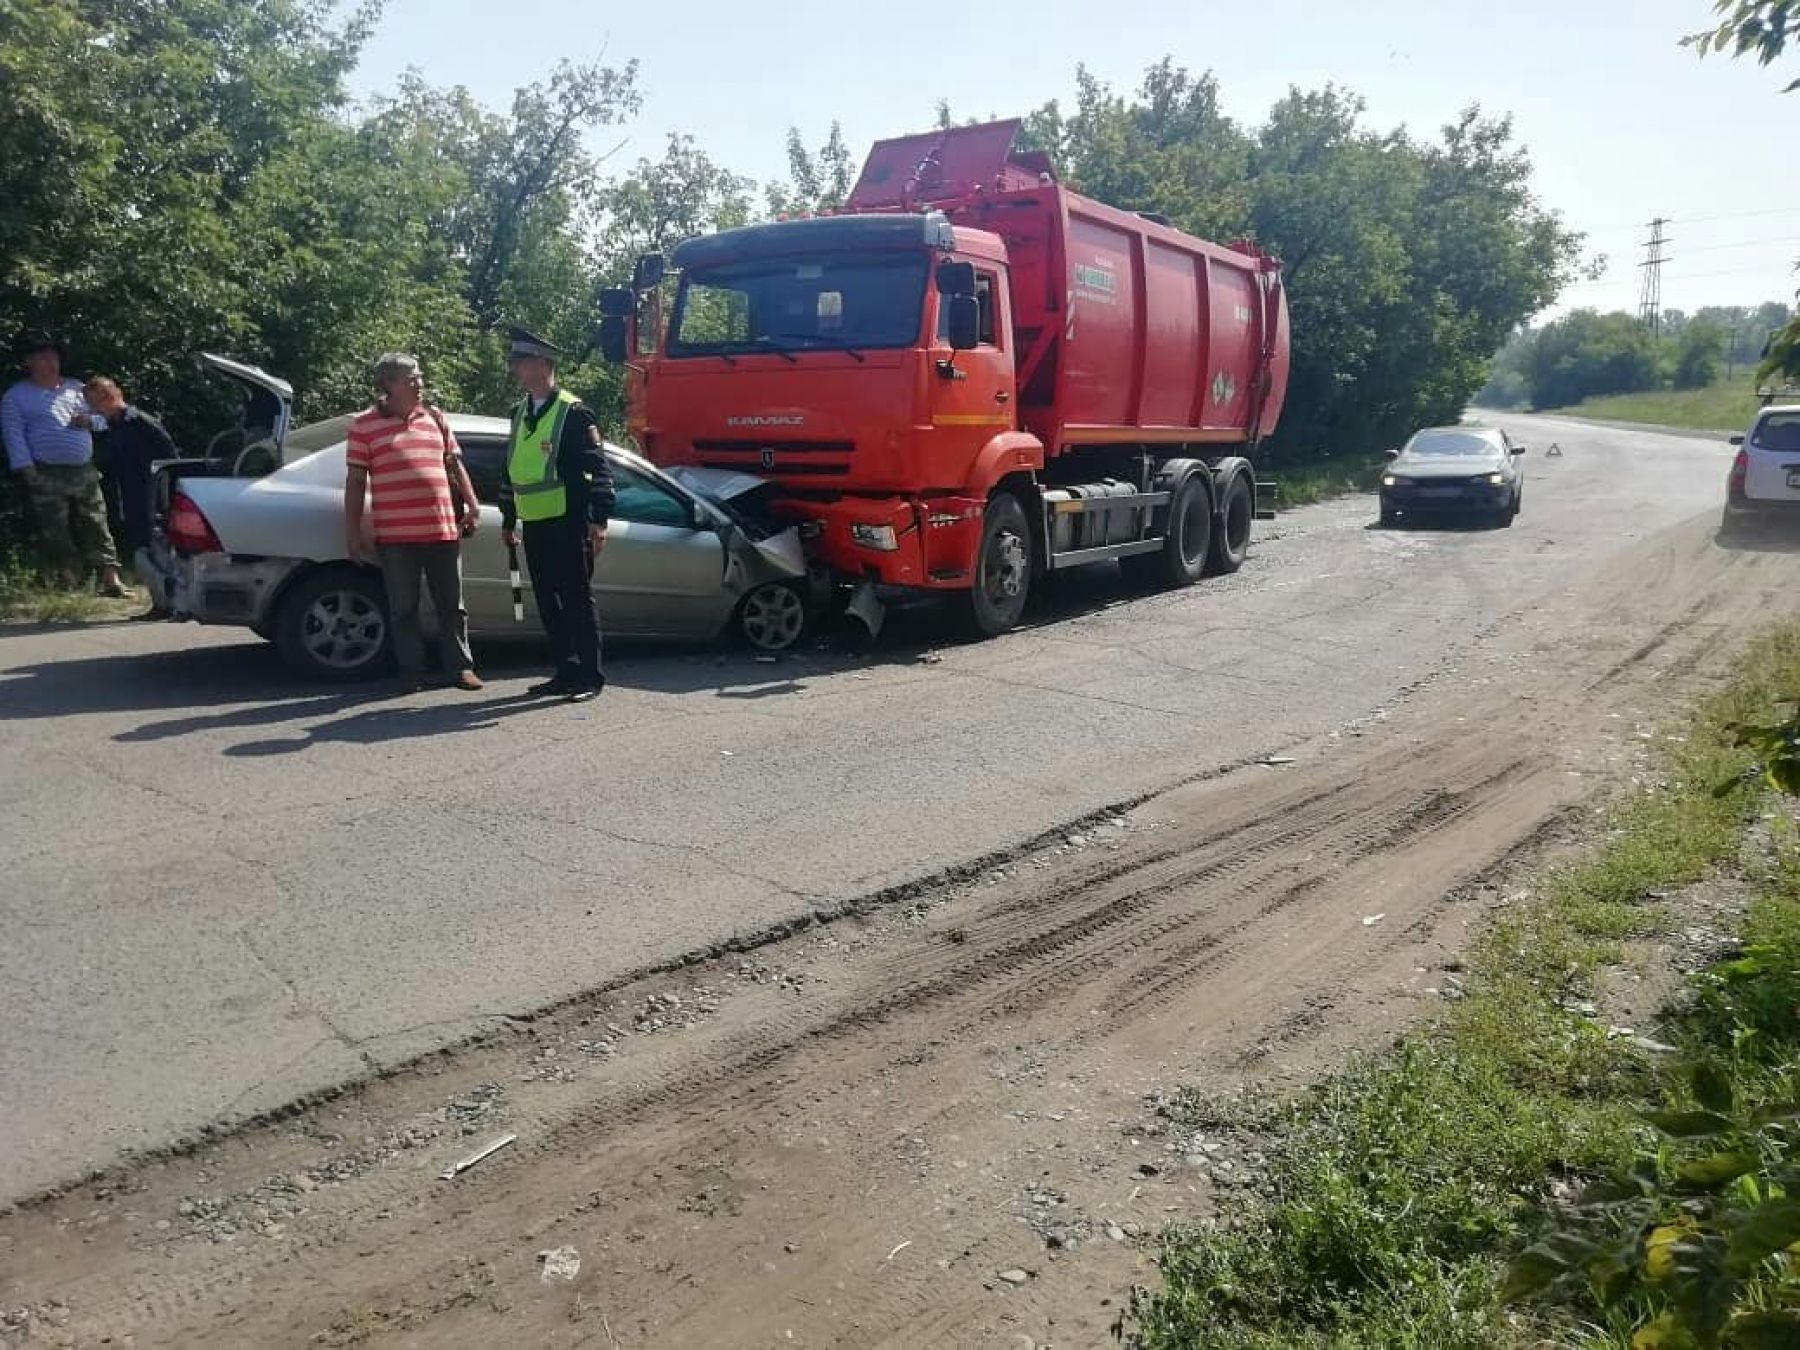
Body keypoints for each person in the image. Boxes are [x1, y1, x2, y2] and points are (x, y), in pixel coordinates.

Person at [343, 353, 485, 693]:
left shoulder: (434, 417)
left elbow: (454, 465)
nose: (419, 384)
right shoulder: (364, 425)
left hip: (442, 531)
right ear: (388, 384)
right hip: (396, 536)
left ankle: (460, 668)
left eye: (419, 377)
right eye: (411, 379)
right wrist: (352, 532)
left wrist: (472, 502)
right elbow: (356, 483)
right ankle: (411, 672)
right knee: (403, 609)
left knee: (453, 606)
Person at [499, 326, 615, 703]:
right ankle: (565, 670)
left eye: (520, 361)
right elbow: (511, 469)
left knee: (577, 599)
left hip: (569, 521)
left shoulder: (574, 412)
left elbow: (598, 469)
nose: (515, 368)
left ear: (541, 364)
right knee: (548, 600)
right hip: (534, 522)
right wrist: (507, 518)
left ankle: (589, 675)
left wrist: (599, 519)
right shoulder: (519, 413)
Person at [1, 333, 129, 596]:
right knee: (54, 527)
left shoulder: (77, 389)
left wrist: (89, 422)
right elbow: (13, 435)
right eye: (42, 358)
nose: (50, 362)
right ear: (29, 363)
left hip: (83, 468)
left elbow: (106, 419)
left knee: (96, 522)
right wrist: (27, 469)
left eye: (53, 357)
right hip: (45, 470)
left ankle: (110, 578)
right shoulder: (17, 395)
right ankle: (70, 579)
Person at [83, 377, 178, 618]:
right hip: (131, 497)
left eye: (102, 399)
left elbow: (171, 457)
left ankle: (169, 604)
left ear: (116, 394)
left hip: (153, 498)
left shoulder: (141, 421)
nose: (98, 406)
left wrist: (166, 496)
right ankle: (161, 603)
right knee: (144, 551)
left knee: (157, 552)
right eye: (93, 403)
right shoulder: (113, 427)